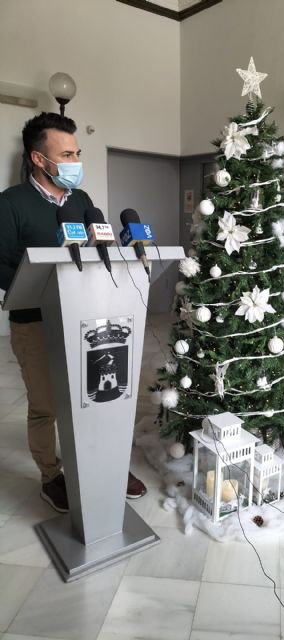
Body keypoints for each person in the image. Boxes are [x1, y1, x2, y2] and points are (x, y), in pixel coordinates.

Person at [0, 112, 147, 512]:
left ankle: (106, 465)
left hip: (86, 318)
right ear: (38, 158)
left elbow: (98, 253)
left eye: (77, 153)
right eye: (66, 155)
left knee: (96, 398)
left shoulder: (81, 201)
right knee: (46, 405)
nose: (75, 161)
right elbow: (1, 264)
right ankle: (51, 476)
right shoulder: (11, 203)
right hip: (35, 323)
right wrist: (43, 280)